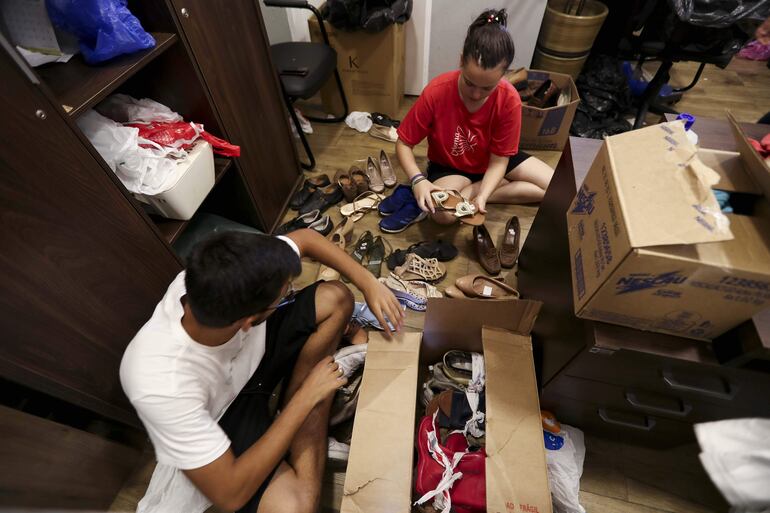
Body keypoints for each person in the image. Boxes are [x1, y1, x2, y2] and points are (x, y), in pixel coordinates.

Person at [119, 229, 403, 513]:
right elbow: (230, 494)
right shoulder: (161, 385)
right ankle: (307, 419)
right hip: (224, 413)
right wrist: (306, 397)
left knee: (336, 297)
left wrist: (368, 283)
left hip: (253, 352)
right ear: (248, 321)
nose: (289, 292)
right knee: (296, 507)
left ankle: (300, 420)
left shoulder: (227, 274)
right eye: (284, 295)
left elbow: (305, 239)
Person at [396, 8, 554, 224]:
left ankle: (472, 193)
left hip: (493, 160)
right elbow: (404, 143)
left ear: (504, 74)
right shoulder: (437, 91)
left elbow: (499, 162)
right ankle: (486, 189)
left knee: (555, 187)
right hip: (449, 166)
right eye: (469, 83)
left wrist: (482, 194)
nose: (476, 94)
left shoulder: (509, 99)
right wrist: (417, 180)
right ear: (461, 60)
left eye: (487, 88)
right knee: (442, 217)